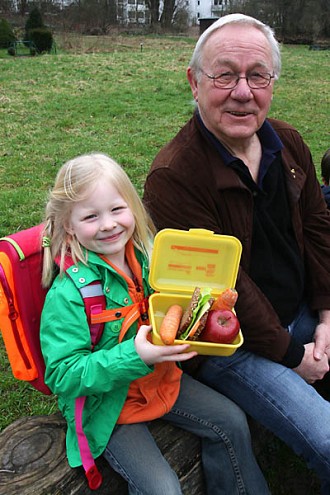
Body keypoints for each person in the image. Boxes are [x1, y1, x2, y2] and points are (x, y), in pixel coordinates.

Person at [143, 13, 330, 494]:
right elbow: (226, 290)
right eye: (224, 74)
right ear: (194, 80)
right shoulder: (175, 175)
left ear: (273, 83)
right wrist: (294, 356)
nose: (242, 91)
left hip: (303, 315)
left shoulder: (285, 141)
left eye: (257, 75)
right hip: (234, 344)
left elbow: (316, 226)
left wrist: (327, 314)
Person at [39, 152, 269, 495]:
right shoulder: (69, 294)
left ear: (132, 207)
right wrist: (135, 355)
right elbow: (62, 375)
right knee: (163, 488)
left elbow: (173, 304)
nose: (108, 224)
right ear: (69, 225)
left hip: (160, 382)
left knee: (231, 422)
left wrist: (201, 304)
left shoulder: (149, 259)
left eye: (117, 210)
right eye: (91, 216)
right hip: (108, 407)